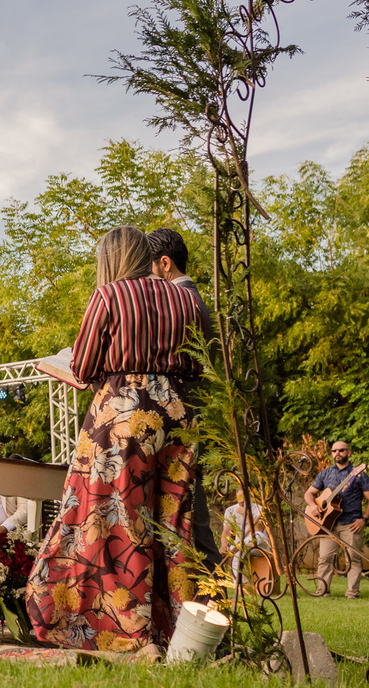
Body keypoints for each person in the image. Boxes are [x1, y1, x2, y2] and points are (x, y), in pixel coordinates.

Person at [26, 225, 207, 652]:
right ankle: (179, 631)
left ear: (110, 260)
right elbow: (200, 363)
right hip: (178, 417)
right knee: (171, 523)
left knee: (108, 518)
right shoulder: (187, 299)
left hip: (123, 416)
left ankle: (120, 629)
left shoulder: (109, 295)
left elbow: (84, 367)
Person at [147, 228, 221, 577]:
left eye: (148, 268)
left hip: (179, 416)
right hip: (184, 415)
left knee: (192, 513)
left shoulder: (180, 301)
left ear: (165, 263)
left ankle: (212, 593)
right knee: (190, 510)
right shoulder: (191, 299)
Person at [304, 440, 369, 599]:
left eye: (341, 450)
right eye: (334, 450)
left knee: (353, 559)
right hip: (327, 524)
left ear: (348, 453)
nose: (337, 453)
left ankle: (352, 593)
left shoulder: (358, 474)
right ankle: (322, 591)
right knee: (324, 558)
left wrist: (364, 519)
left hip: (351, 523)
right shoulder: (325, 473)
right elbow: (309, 494)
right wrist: (313, 506)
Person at [219, 490, 271, 585]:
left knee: (257, 536)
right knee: (237, 554)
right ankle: (239, 586)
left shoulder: (258, 509)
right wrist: (224, 545)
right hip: (241, 546)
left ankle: (239, 547)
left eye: (243, 500)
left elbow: (258, 529)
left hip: (259, 545)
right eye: (239, 500)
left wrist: (246, 514)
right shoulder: (230, 511)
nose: (241, 503)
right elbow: (226, 532)